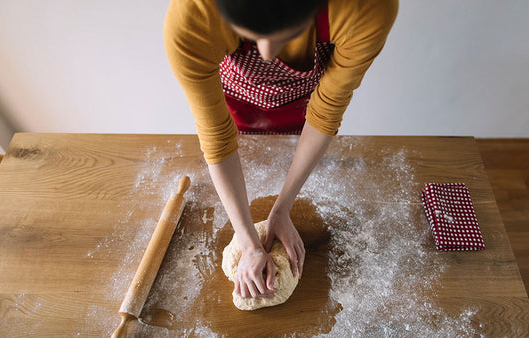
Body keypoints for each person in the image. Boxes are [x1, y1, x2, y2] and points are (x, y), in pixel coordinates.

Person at [164, 0, 398, 299]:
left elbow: (325, 111)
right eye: (249, 34)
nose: (267, 53)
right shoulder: (192, 17)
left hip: (305, 107)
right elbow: (217, 135)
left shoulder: (367, 9)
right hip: (236, 104)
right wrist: (248, 243)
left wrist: (283, 206)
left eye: (288, 34)